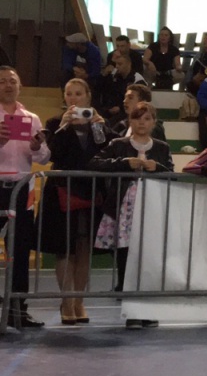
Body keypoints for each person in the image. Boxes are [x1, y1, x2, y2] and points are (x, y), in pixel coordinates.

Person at [87, 101, 173, 319]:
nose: (142, 123)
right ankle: (131, 310)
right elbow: (95, 163)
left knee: (149, 256)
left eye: (147, 119)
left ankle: (148, 310)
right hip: (124, 208)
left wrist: (158, 167)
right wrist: (124, 163)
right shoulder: (118, 144)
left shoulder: (162, 147)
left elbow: (172, 174)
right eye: (137, 118)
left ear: (154, 122)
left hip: (152, 207)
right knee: (125, 254)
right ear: (130, 121)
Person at [43, 78, 114, 325]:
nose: (73, 98)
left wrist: (102, 127)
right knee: (65, 248)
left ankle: (79, 301)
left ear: (88, 97)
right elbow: (52, 153)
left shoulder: (98, 123)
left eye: (78, 94)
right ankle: (66, 301)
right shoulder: (55, 123)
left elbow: (110, 150)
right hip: (62, 191)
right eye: (69, 94)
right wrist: (64, 127)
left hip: (91, 191)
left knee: (84, 249)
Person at [0, 66, 51, 328]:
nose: (8, 85)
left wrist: (37, 146)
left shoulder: (31, 118)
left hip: (21, 190)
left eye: (12, 81)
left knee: (20, 250)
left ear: (20, 85)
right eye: (2, 81)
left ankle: (18, 310)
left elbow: (44, 157)